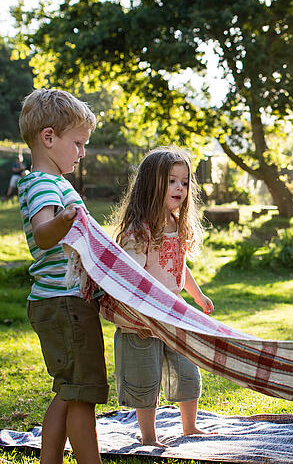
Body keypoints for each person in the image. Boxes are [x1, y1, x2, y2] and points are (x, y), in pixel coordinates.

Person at [17, 88, 106, 464]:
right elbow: (42, 233)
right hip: (64, 303)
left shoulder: (56, 185)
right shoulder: (42, 184)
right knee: (82, 394)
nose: (82, 152)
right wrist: (65, 219)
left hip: (62, 302)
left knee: (69, 390)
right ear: (49, 137)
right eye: (79, 143)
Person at [111, 145, 214, 447]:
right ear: (150, 184)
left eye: (184, 182)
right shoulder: (139, 229)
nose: (179, 187)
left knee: (187, 371)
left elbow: (179, 265)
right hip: (143, 317)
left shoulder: (174, 222)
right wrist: (139, 313)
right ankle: (149, 436)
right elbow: (131, 277)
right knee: (145, 377)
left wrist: (197, 295)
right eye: (171, 180)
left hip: (173, 312)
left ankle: (190, 426)